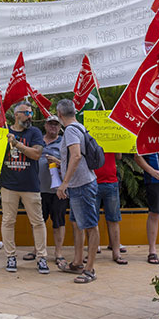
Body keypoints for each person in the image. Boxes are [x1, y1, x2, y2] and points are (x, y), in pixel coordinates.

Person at [0, 101, 47, 274]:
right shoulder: (4, 132)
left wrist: (17, 143)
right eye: (26, 113)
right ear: (16, 114)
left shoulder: (34, 132)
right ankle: (10, 256)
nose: (29, 116)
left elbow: (36, 154)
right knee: (8, 221)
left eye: (31, 113)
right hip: (8, 185)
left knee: (37, 222)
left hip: (30, 186)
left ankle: (41, 258)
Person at [55, 99, 98, 283]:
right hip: (80, 185)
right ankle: (78, 262)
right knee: (77, 224)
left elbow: (76, 155)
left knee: (90, 226)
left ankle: (90, 270)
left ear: (59, 114)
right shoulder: (79, 127)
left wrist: (64, 182)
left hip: (81, 185)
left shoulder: (71, 130)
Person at [29, 115, 66, 264]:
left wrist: (58, 162)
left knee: (59, 222)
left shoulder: (64, 142)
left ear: (60, 127)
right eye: (51, 124)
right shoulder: (37, 141)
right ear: (45, 125)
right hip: (37, 189)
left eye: (56, 125)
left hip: (58, 191)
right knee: (38, 222)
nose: (53, 127)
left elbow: (74, 163)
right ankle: (36, 250)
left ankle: (58, 252)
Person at [92, 152, 127, 265]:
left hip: (111, 181)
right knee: (92, 220)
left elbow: (118, 156)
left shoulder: (111, 135)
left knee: (114, 219)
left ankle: (116, 253)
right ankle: (93, 250)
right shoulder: (90, 135)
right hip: (93, 181)